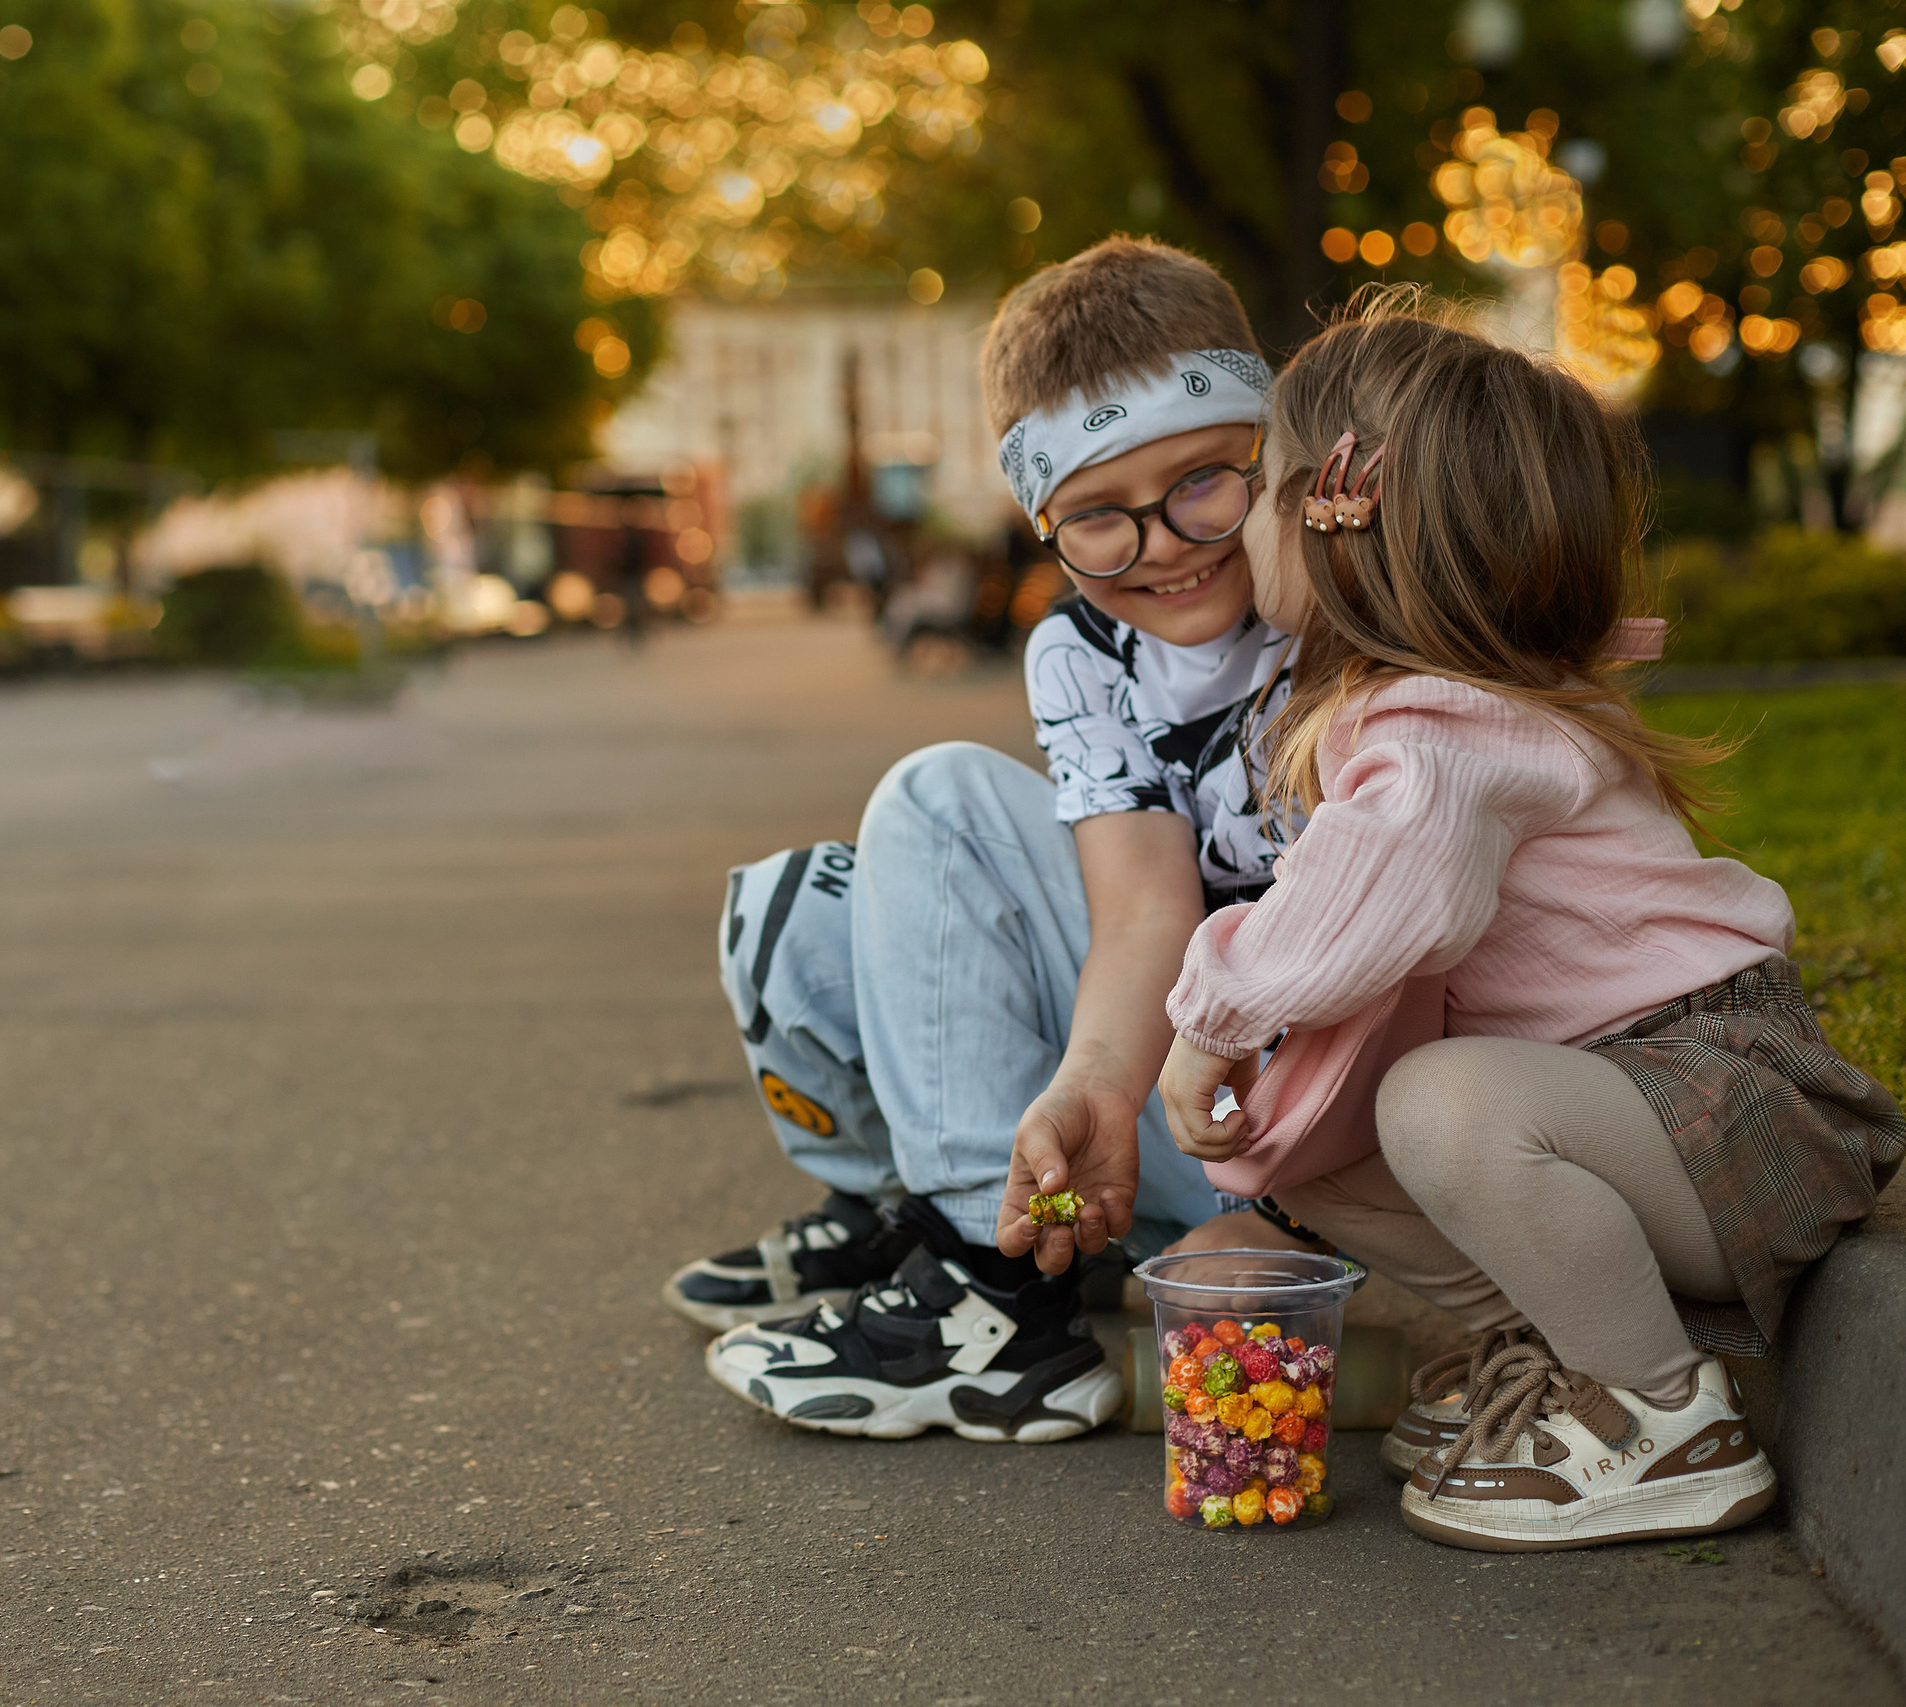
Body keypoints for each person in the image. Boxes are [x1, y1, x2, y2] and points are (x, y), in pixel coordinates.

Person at [1154, 293, 1905, 1549]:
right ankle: (1552, 1345)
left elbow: (1377, 894)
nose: (1234, 526)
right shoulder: (1454, 707)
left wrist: (1213, 1016)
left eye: (1257, 485)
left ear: (1338, 514)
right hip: (1645, 1122)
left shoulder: (1446, 723)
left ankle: (1656, 1415)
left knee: (1439, 1102)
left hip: (1725, 1099)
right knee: (1308, 1144)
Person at [674, 237, 1307, 1442]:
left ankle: (994, 1298)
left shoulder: (1341, 601)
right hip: (1152, 1106)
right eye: (1096, 520)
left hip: (1311, 1130)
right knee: (800, 904)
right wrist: (1085, 1090)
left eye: (1202, 485)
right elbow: (1139, 913)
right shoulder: (1078, 648)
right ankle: (962, 1225)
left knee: (940, 799)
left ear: (1268, 451)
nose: (1163, 544)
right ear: (1044, 525)